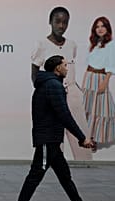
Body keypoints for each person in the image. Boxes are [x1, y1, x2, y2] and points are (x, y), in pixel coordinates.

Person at [8, 55, 101, 201]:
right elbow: (64, 115)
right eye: (65, 65)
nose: (67, 68)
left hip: (51, 139)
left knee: (65, 176)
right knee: (35, 175)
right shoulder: (53, 86)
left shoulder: (50, 84)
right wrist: (82, 138)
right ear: (57, 68)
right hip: (47, 139)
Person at [31, 6, 92, 161]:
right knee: (55, 138)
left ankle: (83, 159)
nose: (61, 26)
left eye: (65, 22)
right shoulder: (41, 45)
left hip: (72, 93)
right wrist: (46, 93)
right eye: (57, 22)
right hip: (53, 93)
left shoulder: (72, 44)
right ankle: (56, 162)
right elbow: (35, 76)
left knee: (80, 133)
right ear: (50, 22)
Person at [82, 16, 115, 154]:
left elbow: (112, 65)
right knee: (91, 108)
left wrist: (105, 81)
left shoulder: (113, 44)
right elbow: (89, 61)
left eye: (102, 26)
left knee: (107, 109)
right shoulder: (94, 43)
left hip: (101, 77)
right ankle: (93, 137)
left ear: (107, 28)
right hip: (89, 77)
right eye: (97, 26)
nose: (100, 29)